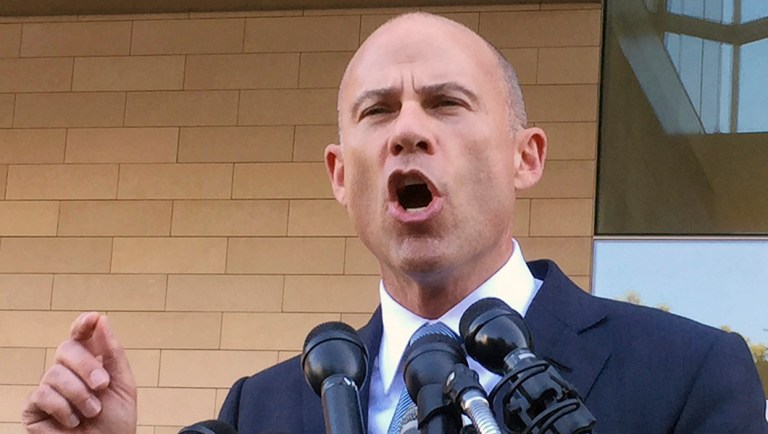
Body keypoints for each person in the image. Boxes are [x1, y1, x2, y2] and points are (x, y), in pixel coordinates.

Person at [21, 12, 767, 434]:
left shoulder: (692, 373)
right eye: (376, 112)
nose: (407, 132)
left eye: (446, 103)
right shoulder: (263, 410)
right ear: (342, 177)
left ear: (526, 157)